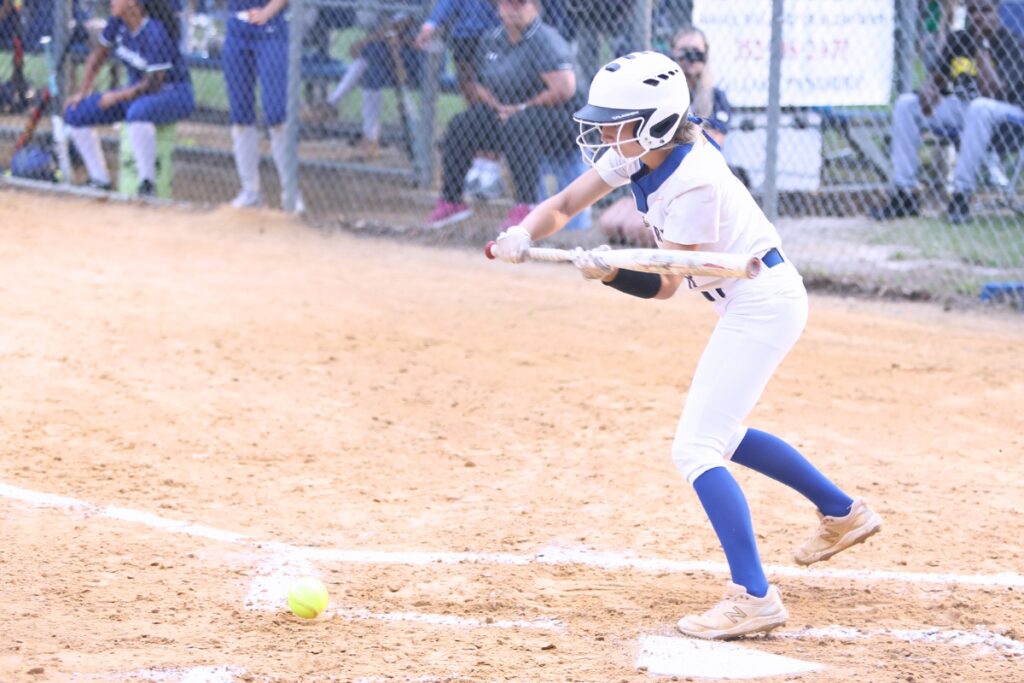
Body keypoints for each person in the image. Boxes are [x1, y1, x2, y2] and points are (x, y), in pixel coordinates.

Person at [489, 51, 883, 640]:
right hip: (746, 299)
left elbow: (668, 285)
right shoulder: (638, 155)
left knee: (696, 448)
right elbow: (567, 205)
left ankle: (753, 596)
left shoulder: (693, 177)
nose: (601, 133)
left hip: (763, 301)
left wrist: (610, 274)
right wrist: (522, 231)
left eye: (613, 122)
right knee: (723, 433)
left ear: (652, 121)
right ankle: (842, 512)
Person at [428, 0, 580, 229]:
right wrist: (496, 105)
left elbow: (564, 89)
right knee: (462, 123)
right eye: (507, 4)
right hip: (511, 115)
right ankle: (451, 201)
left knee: (518, 123)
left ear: (535, 8)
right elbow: (478, 83)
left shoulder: (545, 39)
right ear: (497, 8)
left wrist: (521, 108)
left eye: (520, 4)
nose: (513, 9)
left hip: (562, 121)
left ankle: (526, 206)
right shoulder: (493, 38)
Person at [871, 0, 1024, 223]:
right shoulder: (959, 39)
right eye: (972, 10)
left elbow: (993, 93)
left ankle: (961, 196)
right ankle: (905, 194)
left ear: (997, 12)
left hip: (1008, 117)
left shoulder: (1013, 43)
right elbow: (937, 77)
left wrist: (981, 46)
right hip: (968, 113)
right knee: (906, 104)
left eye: (985, 10)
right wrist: (929, 89)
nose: (978, 16)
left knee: (980, 107)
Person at [599, 25, 733, 247]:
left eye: (697, 53)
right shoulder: (658, 94)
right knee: (608, 222)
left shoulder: (714, 96)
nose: (691, 60)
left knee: (635, 228)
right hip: (650, 176)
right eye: (684, 52)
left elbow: (712, 143)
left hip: (685, 182)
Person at [64, 0, 195, 194]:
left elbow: (154, 83)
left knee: (137, 113)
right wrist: (83, 92)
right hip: (136, 94)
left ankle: (146, 185)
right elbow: (97, 56)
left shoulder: (155, 30)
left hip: (173, 93)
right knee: (75, 113)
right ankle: (100, 180)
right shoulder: (117, 22)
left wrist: (117, 96)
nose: (111, 2)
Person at [223, 0, 302, 210]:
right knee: (240, 116)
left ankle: (291, 192)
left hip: (271, 28)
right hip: (237, 29)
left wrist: (267, 11)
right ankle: (250, 191)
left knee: (276, 114)